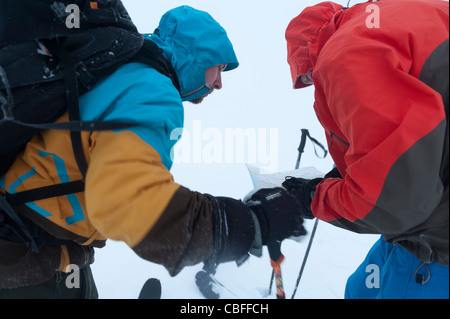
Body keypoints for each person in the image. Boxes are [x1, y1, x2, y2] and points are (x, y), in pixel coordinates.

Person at [0, 5, 306, 298]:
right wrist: (246, 224)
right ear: (195, 55)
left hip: (34, 237)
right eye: (219, 67)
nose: (220, 83)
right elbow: (127, 200)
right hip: (30, 253)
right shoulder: (153, 90)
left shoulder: (121, 65)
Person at [282, 0, 449, 299]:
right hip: (420, 220)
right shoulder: (391, 17)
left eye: (307, 76)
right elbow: (406, 134)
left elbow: (395, 200)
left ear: (309, 54)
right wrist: (350, 170)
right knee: (359, 290)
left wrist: (313, 198)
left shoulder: (346, 56)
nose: (312, 81)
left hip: (435, 246)